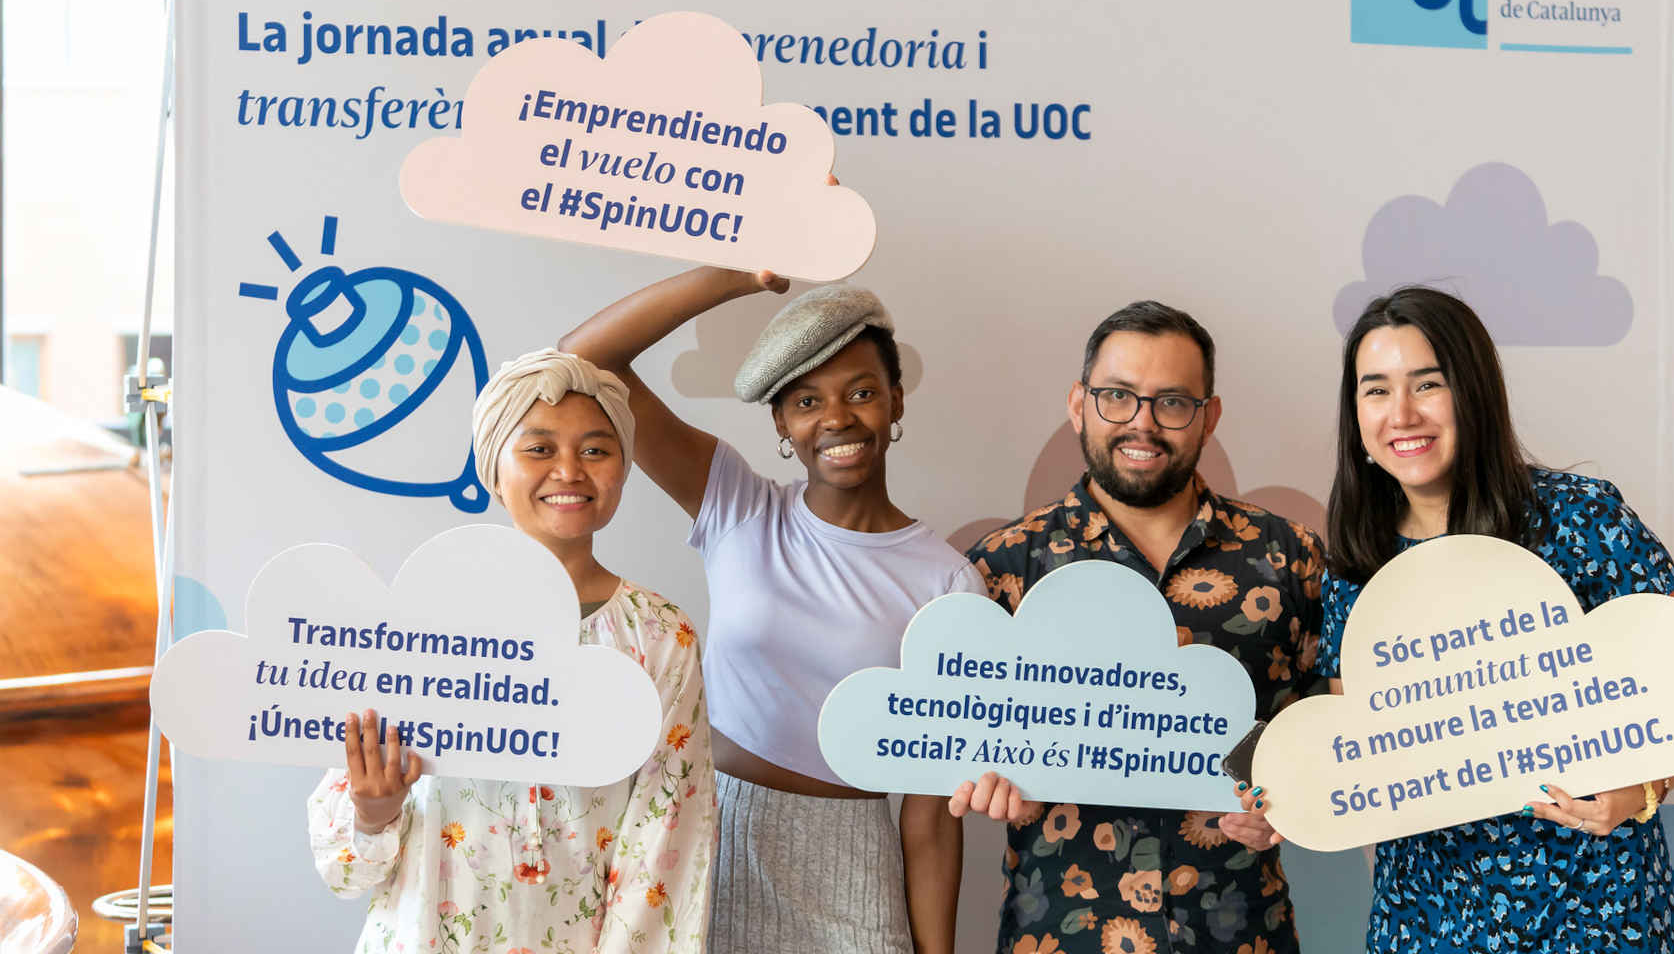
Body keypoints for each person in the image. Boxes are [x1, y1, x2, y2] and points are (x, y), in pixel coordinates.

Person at [1228, 285, 1674, 953]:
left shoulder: (1583, 518)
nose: (1403, 414)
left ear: (1474, 393)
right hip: (1424, 916)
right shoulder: (1356, 567)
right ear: (1356, 415)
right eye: (1377, 390)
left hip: (1593, 909)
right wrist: (1291, 802)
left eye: (1428, 384)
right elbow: (1367, 753)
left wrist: (1641, 790)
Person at [560, 266, 978, 954]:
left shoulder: (947, 581)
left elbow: (932, 818)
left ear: (896, 402)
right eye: (807, 400)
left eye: (862, 392)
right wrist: (736, 274)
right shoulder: (737, 505)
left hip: (855, 864)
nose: (837, 418)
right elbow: (582, 359)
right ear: (782, 422)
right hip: (713, 838)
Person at [306, 349, 716, 953]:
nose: (569, 470)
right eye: (539, 448)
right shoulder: (421, 621)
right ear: (493, 472)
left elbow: (665, 840)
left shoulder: (658, 634)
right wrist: (372, 811)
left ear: (623, 470)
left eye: (595, 450)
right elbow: (344, 868)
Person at [953, 300, 1324, 954]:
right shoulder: (1001, 569)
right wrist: (992, 779)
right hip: (1060, 934)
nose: (1142, 423)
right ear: (1079, 404)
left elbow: (1331, 734)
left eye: (1172, 402)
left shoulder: (1289, 557)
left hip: (1241, 932)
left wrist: (1295, 802)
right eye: (1117, 396)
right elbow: (958, 739)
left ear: (1209, 417)